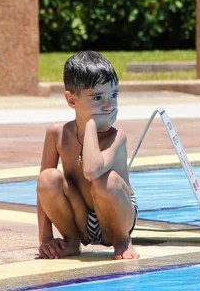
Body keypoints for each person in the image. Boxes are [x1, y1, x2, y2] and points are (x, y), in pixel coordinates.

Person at [36, 51, 139, 260]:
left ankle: (122, 242)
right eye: (98, 97)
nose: (109, 105)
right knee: (48, 177)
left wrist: (90, 124)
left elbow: (92, 170)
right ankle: (72, 241)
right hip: (79, 216)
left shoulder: (117, 136)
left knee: (105, 181)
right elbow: (42, 190)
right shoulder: (57, 134)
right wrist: (45, 238)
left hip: (117, 217)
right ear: (72, 100)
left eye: (114, 95)